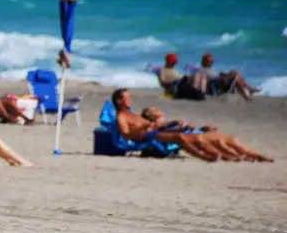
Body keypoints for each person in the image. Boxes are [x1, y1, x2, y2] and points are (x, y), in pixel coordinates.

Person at [113, 88, 271, 162]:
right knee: (182, 137)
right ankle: (217, 157)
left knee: (208, 136)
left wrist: (170, 124)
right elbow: (126, 135)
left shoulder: (133, 114)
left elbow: (157, 124)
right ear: (120, 101)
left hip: (158, 130)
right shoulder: (121, 116)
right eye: (127, 98)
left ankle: (250, 155)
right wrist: (144, 128)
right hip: (148, 136)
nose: (130, 100)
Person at [140, 106, 273, 162]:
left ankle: (255, 155)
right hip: (193, 139)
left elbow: (185, 130)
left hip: (196, 135)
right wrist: (176, 126)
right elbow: (171, 133)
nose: (163, 119)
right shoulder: (155, 131)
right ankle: (238, 156)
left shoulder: (166, 127)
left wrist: (203, 128)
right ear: (152, 119)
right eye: (159, 117)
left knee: (230, 139)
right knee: (220, 142)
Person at [194, 53, 261, 100]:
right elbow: (209, 79)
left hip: (219, 81)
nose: (212, 63)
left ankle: (249, 90)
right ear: (204, 62)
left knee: (235, 75)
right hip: (220, 84)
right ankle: (247, 93)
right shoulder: (202, 70)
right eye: (210, 61)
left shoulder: (207, 69)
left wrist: (221, 74)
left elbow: (212, 76)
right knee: (235, 73)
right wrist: (220, 76)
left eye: (212, 61)